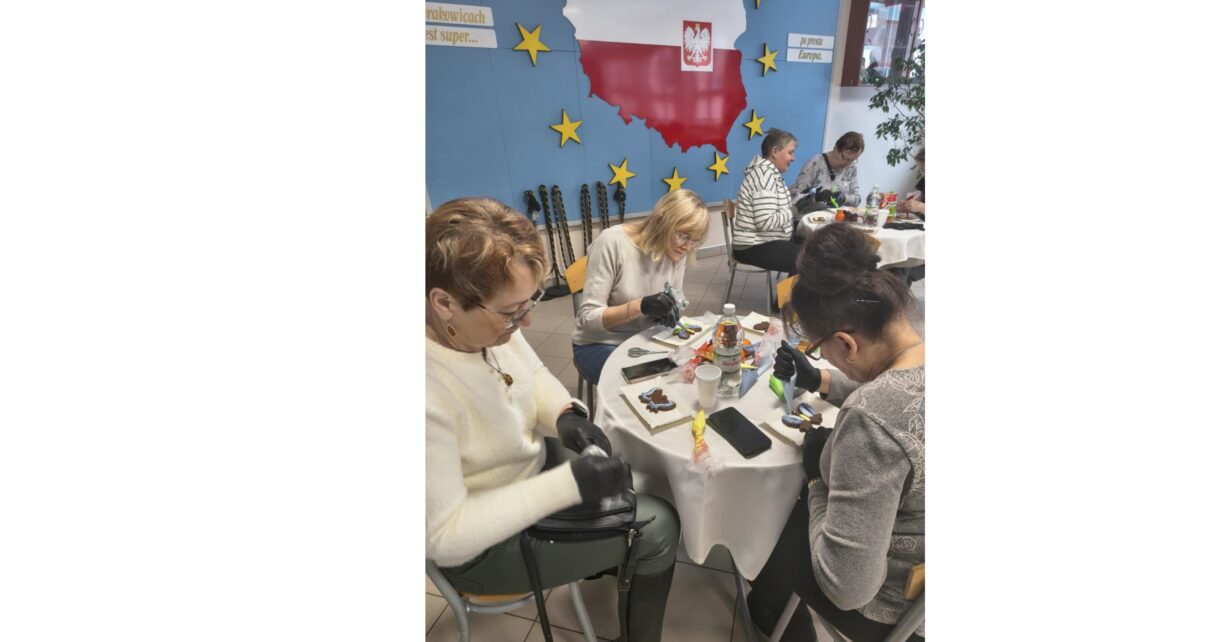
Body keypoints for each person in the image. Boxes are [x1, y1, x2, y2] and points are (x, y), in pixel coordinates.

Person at [426, 197, 681, 641]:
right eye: (511, 312)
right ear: (444, 302)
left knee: (626, 480)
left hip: (522, 470)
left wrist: (565, 414)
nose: (525, 321)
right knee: (659, 525)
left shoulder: (483, 326)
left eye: (531, 302)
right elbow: (446, 538)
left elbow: (535, 374)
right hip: (483, 547)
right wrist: (566, 486)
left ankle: (601, 558)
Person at [747, 223, 925, 641]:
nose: (823, 358)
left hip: (897, 608)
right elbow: (897, 388)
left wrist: (816, 481)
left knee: (777, 513)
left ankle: (773, 613)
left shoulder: (870, 421)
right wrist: (820, 379)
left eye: (819, 350)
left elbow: (847, 588)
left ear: (846, 343)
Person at [572, 189, 709, 385]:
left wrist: (670, 310)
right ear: (661, 220)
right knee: (642, 385)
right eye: (684, 236)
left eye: (695, 241)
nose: (687, 246)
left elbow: (677, 295)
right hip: (600, 342)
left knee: (691, 371)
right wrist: (641, 306)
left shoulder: (678, 250)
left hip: (645, 338)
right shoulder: (612, 242)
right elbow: (587, 318)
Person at [732, 128, 802, 274]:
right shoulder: (765, 176)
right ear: (775, 151)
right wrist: (796, 209)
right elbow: (765, 223)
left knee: (809, 247)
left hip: (763, 241)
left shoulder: (769, 173)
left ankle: (793, 289)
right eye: (790, 153)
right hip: (752, 246)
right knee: (810, 260)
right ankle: (792, 290)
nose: (793, 158)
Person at [789, 131, 865, 208]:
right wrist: (816, 197)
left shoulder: (851, 168)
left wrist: (844, 198)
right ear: (836, 149)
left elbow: (857, 199)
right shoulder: (815, 163)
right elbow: (794, 197)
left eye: (853, 160)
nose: (847, 164)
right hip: (812, 214)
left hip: (838, 215)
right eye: (845, 159)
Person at [901, 147, 925, 219]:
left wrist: (922, 207)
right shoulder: (923, 181)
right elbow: (917, 201)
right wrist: (906, 206)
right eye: (922, 170)